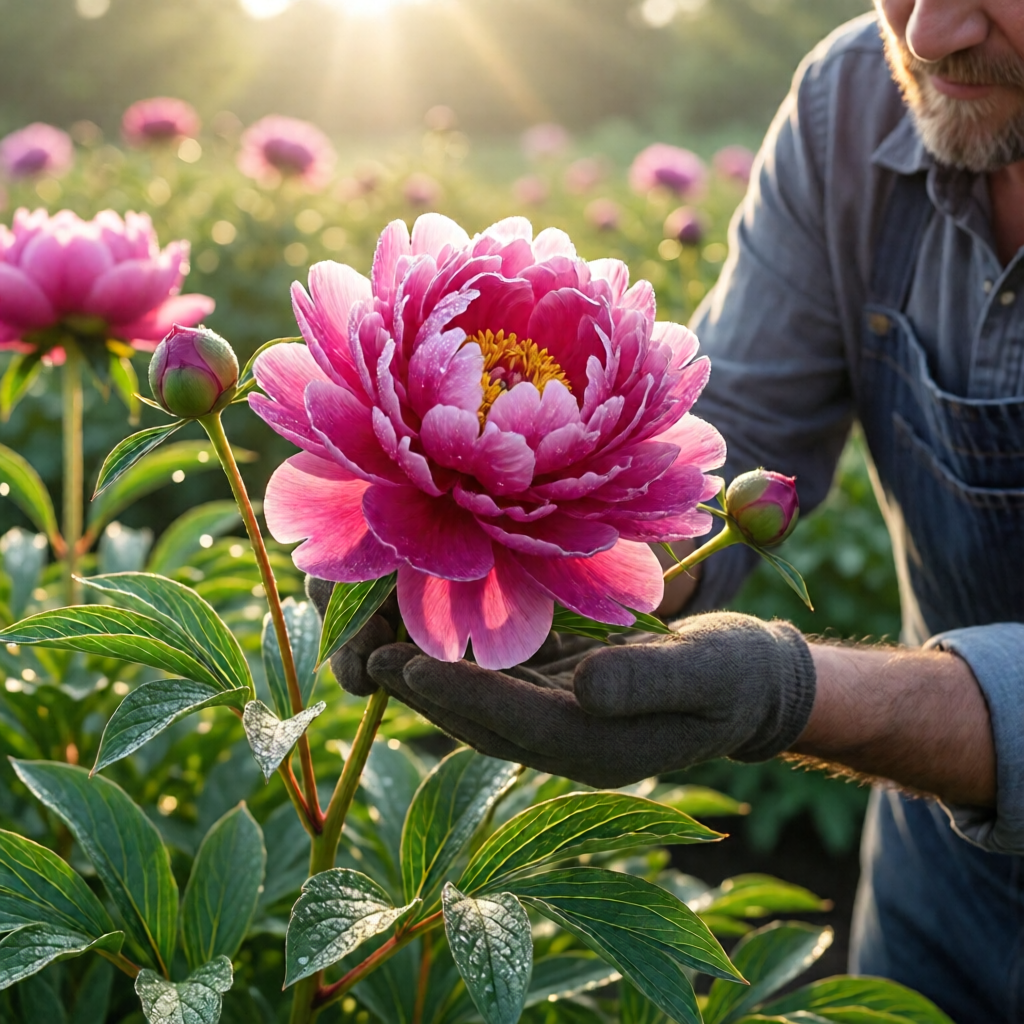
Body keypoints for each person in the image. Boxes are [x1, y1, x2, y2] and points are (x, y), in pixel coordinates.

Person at [310, 1, 1024, 1016]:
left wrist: (782, 690)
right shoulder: (849, 101)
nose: (926, 33)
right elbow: (729, 429)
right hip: (933, 897)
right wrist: (562, 557)